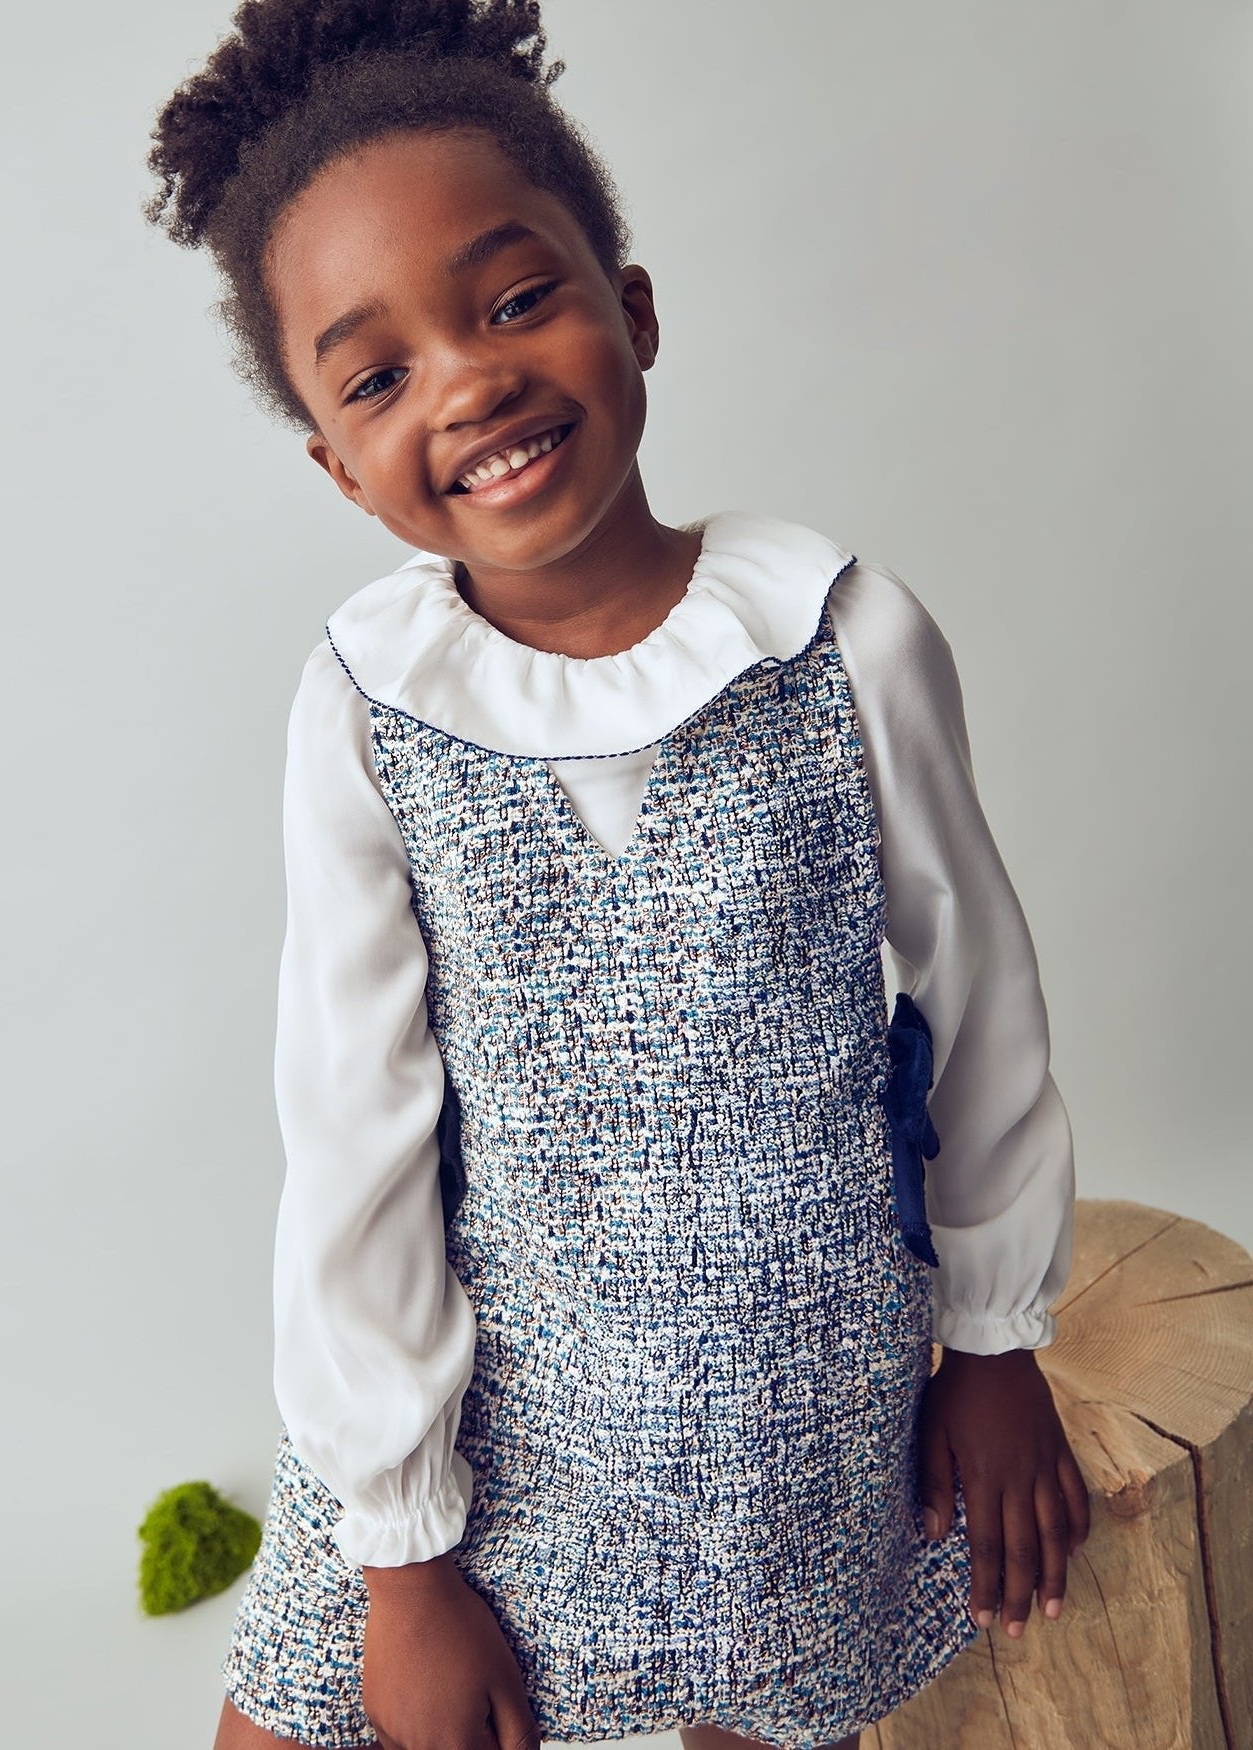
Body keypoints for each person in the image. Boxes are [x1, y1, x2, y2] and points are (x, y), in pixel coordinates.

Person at [145, 3, 1089, 1746]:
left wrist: (994, 1338)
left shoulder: (844, 638)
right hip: (497, 1417)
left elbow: (980, 1008)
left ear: (633, 309)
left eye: (516, 300)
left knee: (768, 1704)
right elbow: (353, 1126)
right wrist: (403, 1552)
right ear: (337, 467)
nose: (471, 381)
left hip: (801, 1412)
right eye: (379, 376)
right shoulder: (365, 708)